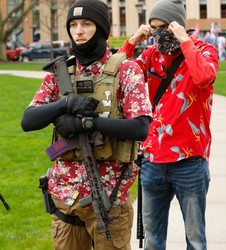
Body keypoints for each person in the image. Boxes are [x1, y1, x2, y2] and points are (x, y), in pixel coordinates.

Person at [21, 0, 152, 250]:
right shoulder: (60, 73)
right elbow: (28, 121)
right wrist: (64, 106)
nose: (78, 31)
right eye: (73, 25)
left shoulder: (126, 70)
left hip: (109, 198)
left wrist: (89, 124)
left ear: (101, 28)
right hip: (66, 197)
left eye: (86, 24)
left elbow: (140, 128)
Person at [119, 0, 218, 249]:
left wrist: (185, 41)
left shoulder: (203, 51)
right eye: (155, 28)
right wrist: (133, 41)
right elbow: (117, 74)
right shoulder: (151, 55)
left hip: (190, 161)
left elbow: (204, 77)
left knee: (195, 240)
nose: (161, 34)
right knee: (153, 240)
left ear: (179, 26)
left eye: (167, 27)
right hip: (152, 160)